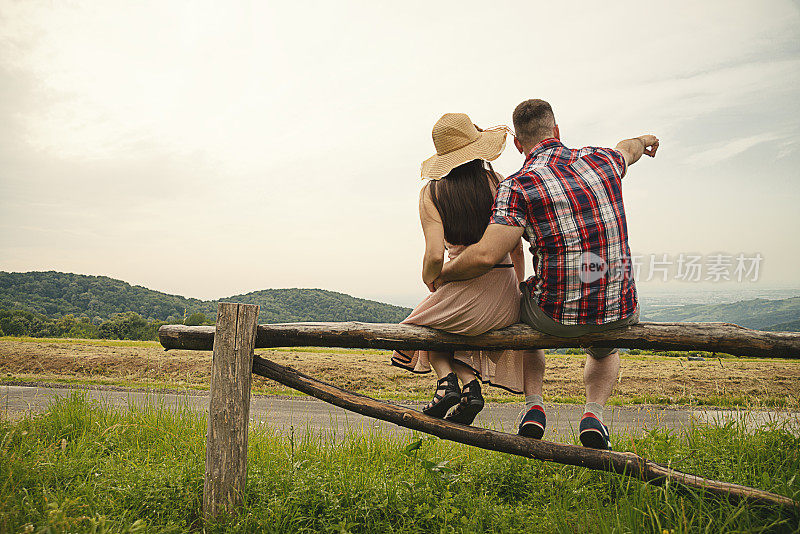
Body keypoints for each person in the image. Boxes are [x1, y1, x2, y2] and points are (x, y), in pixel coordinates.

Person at [433, 99, 659, 449]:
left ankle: (534, 406)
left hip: (552, 315)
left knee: (523, 313)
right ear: (556, 131)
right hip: (617, 309)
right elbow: (627, 148)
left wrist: (442, 274)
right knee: (604, 352)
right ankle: (593, 414)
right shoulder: (604, 160)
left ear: (519, 145)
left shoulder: (517, 186)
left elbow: (485, 255)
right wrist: (644, 139)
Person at [391, 112, 540, 426]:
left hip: (462, 287)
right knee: (452, 329)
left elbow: (434, 255)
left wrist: (431, 278)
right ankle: (470, 389)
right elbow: (514, 245)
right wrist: (516, 283)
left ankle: (448, 383)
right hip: (504, 294)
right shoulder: (499, 183)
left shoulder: (431, 193)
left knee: (419, 330)